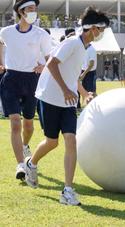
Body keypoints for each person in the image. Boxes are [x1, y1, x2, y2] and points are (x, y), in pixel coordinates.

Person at [24, 6, 109, 205]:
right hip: (50, 98)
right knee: (51, 142)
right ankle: (31, 163)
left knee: (71, 141)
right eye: (100, 29)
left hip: (67, 103)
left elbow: (72, 77)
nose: (101, 34)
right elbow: (52, 64)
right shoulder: (72, 43)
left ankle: (67, 191)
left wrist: (85, 94)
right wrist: (64, 90)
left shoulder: (85, 48)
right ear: (91, 28)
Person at [0, 0, 52, 180]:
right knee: (15, 123)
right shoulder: (6, 32)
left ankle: (24, 145)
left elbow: (50, 59)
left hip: (31, 81)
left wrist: (43, 66)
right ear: (20, 12)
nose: (33, 13)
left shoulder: (41, 34)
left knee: (28, 124)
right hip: (11, 80)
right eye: (30, 9)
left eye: (35, 10)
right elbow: (0, 42)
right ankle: (21, 165)